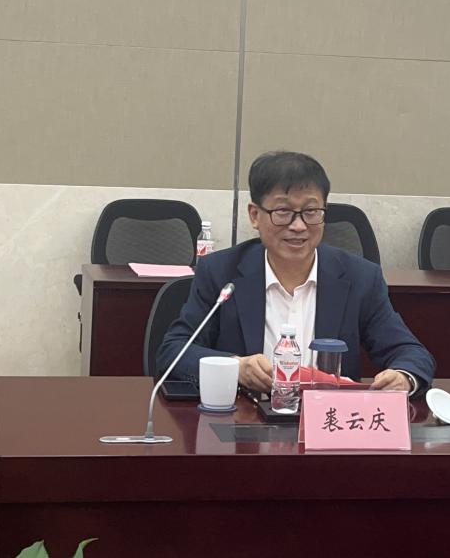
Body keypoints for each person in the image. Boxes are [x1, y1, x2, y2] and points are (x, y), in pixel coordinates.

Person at [157, 151, 435, 396]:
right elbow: (174, 351)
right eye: (283, 212)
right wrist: (236, 367)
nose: (299, 226)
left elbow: (411, 353)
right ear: (254, 215)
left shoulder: (360, 278)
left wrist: (404, 377)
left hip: (328, 424)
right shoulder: (220, 273)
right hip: (243, 423)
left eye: (311, 212)